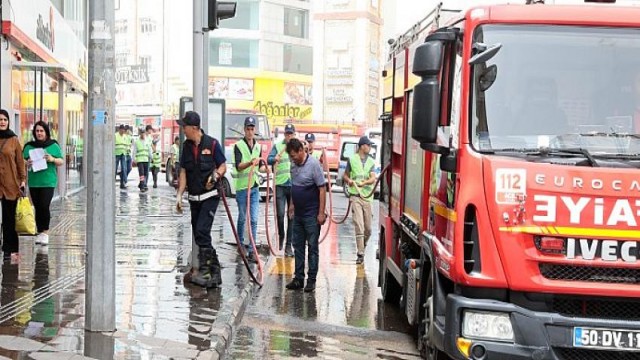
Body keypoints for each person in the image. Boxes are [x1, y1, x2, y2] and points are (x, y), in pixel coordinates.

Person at [176, 111, 227, 288]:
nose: (183, 130)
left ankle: (209, 271)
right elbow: (183, 171)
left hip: (210, 197)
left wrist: (215, 175)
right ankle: (213, 272)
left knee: (202, 231)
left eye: (185, 127)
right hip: (194, 199)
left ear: (194, 128)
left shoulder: (212, 144)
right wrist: (179, 195)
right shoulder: (186, 147)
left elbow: (222, 165)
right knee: (199, 234)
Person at [284, 138, 326, 292]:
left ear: (301, 151)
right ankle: (298, 278)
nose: (292, 159)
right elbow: (294, 186)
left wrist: (321, 213)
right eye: (291, 156)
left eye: (294, 155)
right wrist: (291, 205)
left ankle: (311, 280)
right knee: (298, 247)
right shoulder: (293, 165)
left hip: (311, 215)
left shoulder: (314, 165)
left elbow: (322, 189)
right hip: (298, 215)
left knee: (312, 247)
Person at [23, 121, 64, 245]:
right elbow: (22, 161)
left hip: (48, 181)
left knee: (44, 206)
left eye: (41, 131)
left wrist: (52, 159)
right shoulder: (29, 146)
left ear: (46, 132)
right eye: (37, 131)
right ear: (34, 133)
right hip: (34, 182)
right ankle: (39, 231)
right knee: (37, 207)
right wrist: (27, 163)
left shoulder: (53, 145)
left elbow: (61, 161)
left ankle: (45, 232)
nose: (39, 133)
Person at [233, 116, 266, 260]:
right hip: (242, 188)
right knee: (242, 218)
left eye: (252, 129)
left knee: (253, 219)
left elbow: (260, 166)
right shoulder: (238, 146)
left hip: (254, 187)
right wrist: (250, 163)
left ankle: (252, 249)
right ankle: (241, 245)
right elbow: (239, 167)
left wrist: (267, 168)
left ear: (255, 130)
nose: (250, 131)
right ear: (244, 130)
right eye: (248, 129)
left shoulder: (258, 146)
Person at [343, 136, 376, 264]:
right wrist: (349, 180)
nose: (370, 147)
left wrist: (365, 183)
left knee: (368, 229)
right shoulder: (352, 159)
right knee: (359, 225)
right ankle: (360, 253)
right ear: (362, 146)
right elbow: (345, 175)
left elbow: (373, 178)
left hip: (367, 197)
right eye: (368, 145)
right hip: (355, 196)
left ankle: (363, 245)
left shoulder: (371, 162)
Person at [0, 109, 26, 260]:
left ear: (8, 121)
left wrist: (22, 180)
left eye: (4, 119)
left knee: (9, 218)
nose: (2, 122)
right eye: (0, 120)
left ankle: (10, 249)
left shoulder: (14, 140)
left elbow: (19, 162)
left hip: (10, 184)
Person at [267, 123, 296, 256]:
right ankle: (281, 235)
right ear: (285, 135)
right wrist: (274, 159)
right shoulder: (278, 146)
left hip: (293, 186)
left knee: (292, 216)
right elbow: (269, 159)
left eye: (291, 134)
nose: (289, 136)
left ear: (294, 135)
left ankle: (288, 245)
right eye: (287, 134)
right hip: (280, 185)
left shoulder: (296, 147)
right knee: (280, 214)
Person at [132, 128, 151, 192]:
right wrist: (133, 159)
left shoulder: (147, 141)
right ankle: (142, 187)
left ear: (145, 133)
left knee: (145, 174)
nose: (143, 134)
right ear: (140, 134)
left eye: (143, 133)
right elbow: (134, 151)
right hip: (140, 160)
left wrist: (151, 157)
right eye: (141, 133)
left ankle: (141, 184)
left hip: (146, 160)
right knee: (141, 173)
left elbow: (149, 150)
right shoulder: (137, 142)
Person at [115, 124, 129, 189]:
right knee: (115, 168)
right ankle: (113, 182)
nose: (123, 131)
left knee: (124, 168)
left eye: (124, 130)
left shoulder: (125, 136)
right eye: (122, 130)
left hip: (123, 154)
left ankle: (123, 182)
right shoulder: (115, 135)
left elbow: (127, 145)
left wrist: (127, 152)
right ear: (119, 129)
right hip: (116, 154)